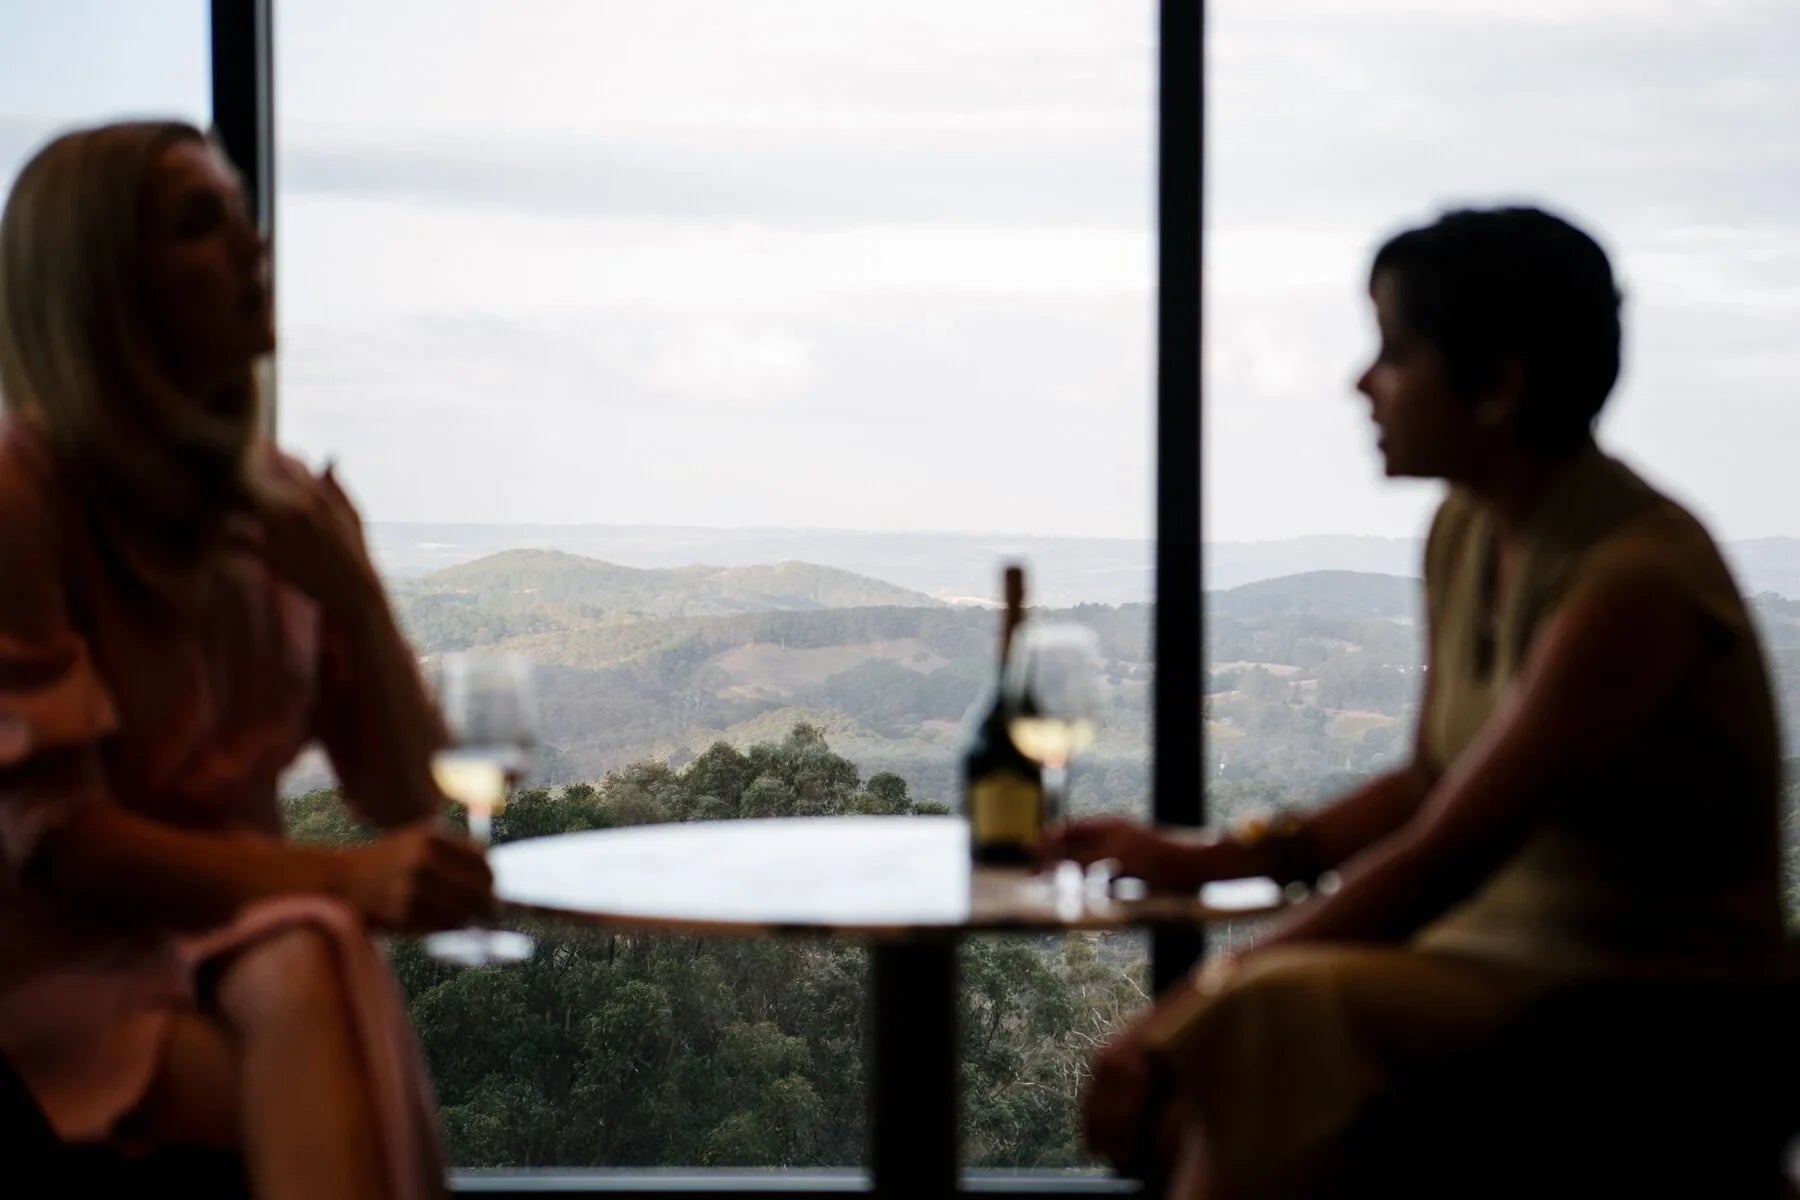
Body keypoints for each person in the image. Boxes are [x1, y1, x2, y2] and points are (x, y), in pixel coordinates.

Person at [1042, 206, 1786, 1198]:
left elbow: (1450, 852)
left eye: (1393, 351)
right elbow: (1434, 776)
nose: (1362, 382)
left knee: (1271, 1024)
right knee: (1232, 1073)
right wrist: (1213, 858)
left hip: (1651, 1005)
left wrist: (1193, 1004)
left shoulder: (1634, 583)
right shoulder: (1467, 531)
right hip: (1499, 971)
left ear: (1499, 385)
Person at [0, 121, 494, 1199]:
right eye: (199, 225)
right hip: (63, 967)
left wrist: (355, 590)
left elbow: (402, 792)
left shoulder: (281, 501)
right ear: (103, 285)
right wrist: (341, 879)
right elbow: (60, 842)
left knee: (309, 954)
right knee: (318, 954)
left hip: (252, 947)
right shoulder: (23, 498)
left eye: (244, 220)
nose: (253, 249)